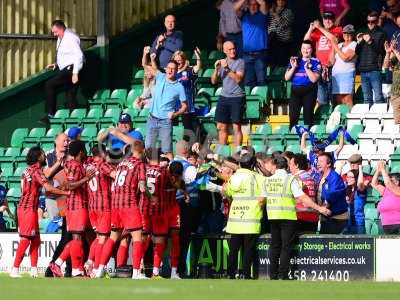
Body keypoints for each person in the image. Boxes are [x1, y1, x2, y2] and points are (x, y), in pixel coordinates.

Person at [265, 155, 330, 280]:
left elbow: (262, 199)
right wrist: (319, 208)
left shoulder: (268, 180)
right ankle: (283, 275)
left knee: (274, 245)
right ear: (285, 166)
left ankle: (272, 275)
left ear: (275, 166)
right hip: (288, 216)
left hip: (273, 216)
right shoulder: (290, 179)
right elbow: (303, 197)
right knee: (286, 246)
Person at [10, 147, 70, 278]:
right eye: (43, 154)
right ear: (38, 157)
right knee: (26, 240)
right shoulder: (36, 171)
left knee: (36, 240)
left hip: (25, 207)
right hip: (28, 209)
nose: (45, 156)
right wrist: (66, 192)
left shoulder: (27, 170)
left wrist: (57, 164)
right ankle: (14, 269)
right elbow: (48, 188)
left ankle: (33, 270)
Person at [95, 140, 147, 279]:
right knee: (137, 237)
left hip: (115, 205)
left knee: (112, 238)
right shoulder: (139, 164)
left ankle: (99, 269)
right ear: (140, 151)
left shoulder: (121, 164)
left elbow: (104, 167)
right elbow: (142, 186)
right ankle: (136, 273)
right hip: (129, 204)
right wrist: (149, 194)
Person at [49, 141, 95, 277]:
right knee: (77, 238)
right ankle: (76, 270)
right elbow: (70, 185)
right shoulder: (74, 165)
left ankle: (57, 263)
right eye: (85, 150)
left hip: (79, 205)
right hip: (76, 206)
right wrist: (86, 178)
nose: (86, 153)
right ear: (81, 152)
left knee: (86, 237)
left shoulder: (72, 164)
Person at [223, 147, 265, 279]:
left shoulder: (234, 177)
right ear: (253, 164)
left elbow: (227, 193)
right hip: (251, 220)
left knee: (234, 250)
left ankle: (230, 274)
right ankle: (246, 275)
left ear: (240, 164)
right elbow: (264, 197)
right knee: (248, 250)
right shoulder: (259, 178)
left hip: (235, 220)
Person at [142, 148, 184, 278]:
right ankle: (146, 268)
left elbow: (181, 186)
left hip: (171, 210)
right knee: (155, 239)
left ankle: (173, 272)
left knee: (174, 241)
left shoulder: (167, 175)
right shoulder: (163, 174)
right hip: (162, 210)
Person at [144, 52, 187, 160]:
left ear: (177, 71)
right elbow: (145, 65)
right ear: (166, 69)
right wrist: (146, 54)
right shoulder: (160, 76)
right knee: (148, 148)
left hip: (165, 122)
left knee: (167, 150)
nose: (170, 70)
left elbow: (184, 106)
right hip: (152, 118)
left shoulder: (179, 87)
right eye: (168, 68)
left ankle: (171, 172)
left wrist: (175, 114)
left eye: (173, 69)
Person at [40, 20, 84, 125]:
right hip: (66, 68)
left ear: (61, 28)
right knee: (70, 95)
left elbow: (79, 55)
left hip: (72, 68)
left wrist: (75, 73)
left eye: (55, 32)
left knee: (49, 85)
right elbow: (65, 54)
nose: (54, 34)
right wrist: (56, 64)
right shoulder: (61, 38)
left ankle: (50, 114)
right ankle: (74, 121)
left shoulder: (71, 37)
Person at [84, 144, 116, 277]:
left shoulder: (88, 166)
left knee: (98, 237)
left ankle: (89, 262)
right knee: (103, 238)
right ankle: (97, 269)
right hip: (104, 207)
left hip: (92, 207)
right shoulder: (103, 165)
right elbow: (116, 175)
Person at [173, 140, 201, 278]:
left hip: (172, 206)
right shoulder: (189, 167)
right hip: (186, 207)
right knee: (184, 240)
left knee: (174, 239)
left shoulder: (172, 164)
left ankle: (169, 269)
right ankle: (181, 270)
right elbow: (202, 183)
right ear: (185, 149)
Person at [211, 41, 245, 147]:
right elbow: (213, 81)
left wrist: (226, 68)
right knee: (221, 126)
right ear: (225, 51)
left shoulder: (240, 62)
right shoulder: (222, 63)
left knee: (236, 127)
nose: (233, 51)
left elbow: (238, 79)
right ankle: (222, 152)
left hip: (237, 97)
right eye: (230, 49)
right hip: (224, 97)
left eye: (233, 48)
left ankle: (237, 153)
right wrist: (216, 70)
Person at [304, 13, 342, 107]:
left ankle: (334, 113)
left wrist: (320, 27)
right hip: (320, 67)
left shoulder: (338, 29)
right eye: (325, 19)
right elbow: (305, 41)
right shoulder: (317, 32)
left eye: (330, 19)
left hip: (333, 67)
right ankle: (324, 116)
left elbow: (333, 38)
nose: (328, 21)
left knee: (333, 95)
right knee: (321, 96)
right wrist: (311, 28)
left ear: (334, 20)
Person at [284, 40, 321, 129]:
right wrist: (293, 68)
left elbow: (314, 79)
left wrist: (307, 69)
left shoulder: (316, 62)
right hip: (295, 92)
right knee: (293, 116)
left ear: (312, 49)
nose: (305, 50)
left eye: (308, 48)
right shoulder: (295, 60)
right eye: (303, 48)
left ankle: (308, 138)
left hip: (309, 91)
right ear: (301, 49)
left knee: (308, 117)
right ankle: (293, 137)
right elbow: (286, 77)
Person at [234, 0, 269, 88]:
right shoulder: (244, 16)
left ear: (258, 6)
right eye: (251, 5)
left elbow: (263, 3)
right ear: (247, 6)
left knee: (261, 81)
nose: (253, 6)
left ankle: (263, 101)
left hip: (260, 54)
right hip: (247, 55)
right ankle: (251, 102)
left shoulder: (263, 15)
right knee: (248, 82)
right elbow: (235, 8)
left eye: (255, 5)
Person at [356, 12, 386, 106]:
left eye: (373, 21)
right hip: (363, 70)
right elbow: (357, 51)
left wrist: (370, 42)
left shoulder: (381, 33)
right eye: (368, 21)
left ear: (377, 21)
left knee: (378, 97)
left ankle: (381, 120)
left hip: (375, 70)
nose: (370, 23)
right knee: (366, 99)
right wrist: (358, 42)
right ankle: (367, 120)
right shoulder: (363, 32)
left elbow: (382, 51)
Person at [325, 24, 357, 107]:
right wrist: (333, 45)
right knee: (339, 100)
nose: (347, 35)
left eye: (349, 33)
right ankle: (341, 118)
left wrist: (335, 45)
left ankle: (350, 118)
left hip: (347, 74)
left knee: (347, 99)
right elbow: (331, 62)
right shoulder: (339, 45)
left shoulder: (354, 44)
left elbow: (345, 58)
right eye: (345, 33)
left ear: (353, 34)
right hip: (336, 75)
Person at [171, 48, 202, 134]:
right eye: (176, 60)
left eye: (180, 60)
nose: (178, 62)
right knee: (172, 127)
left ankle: (191, 145)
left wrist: (198, 58)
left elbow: (198, 67)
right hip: (174, 104)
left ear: (184, 60)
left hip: (186, 103)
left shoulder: (188, 70)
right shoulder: (171, 72)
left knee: (188, 127)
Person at [317, 152, 348, 234]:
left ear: (329, 164)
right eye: (318, 161)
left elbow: (332, 195)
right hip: (325, 217)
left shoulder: (335, 177)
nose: (318, 164)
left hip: (336, 219)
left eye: (321, 161)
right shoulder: (321, 177)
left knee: (332, 245)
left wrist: (322, 208)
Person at [289, 154, 319, 234]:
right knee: (309, 244)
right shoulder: (312, 178)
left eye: (291, 164)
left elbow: (298, 198)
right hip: (313, 217)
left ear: (297, 165)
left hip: (300, 216)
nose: (289, 167)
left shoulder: (295, 179)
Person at [372, 161, 400, 234]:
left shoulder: (398, 190)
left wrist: (383, 169)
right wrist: (378, 170)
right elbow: (374, 183)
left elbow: (388, 183)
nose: (389, 180)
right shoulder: (386, 191)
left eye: (392, 180)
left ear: (397, 182)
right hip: (385, 225)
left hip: (398, 224)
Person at [268, 0, 295, 67]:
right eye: (279, 0)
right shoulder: (270, 11)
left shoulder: (288, 12)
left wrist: (274, 14)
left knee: (282, 64)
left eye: (283, 0)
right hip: (272, 43)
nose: (280, 1)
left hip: (283, 43)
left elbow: (283, 24)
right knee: (272, 63)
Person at [383, 36, 400, 124]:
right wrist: (387, 53)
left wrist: (395, 51)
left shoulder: (397, 53)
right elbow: (385, 66)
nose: (393, 45)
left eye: (394, 43)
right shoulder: (394, 56)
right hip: (395, 92)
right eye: (392, 43)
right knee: (397, 121)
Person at [134, 46, 156, 111]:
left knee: (146, 106)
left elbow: (156, 98)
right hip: (149, 101)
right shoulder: (147, 81)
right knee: (135, 104)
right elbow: (144, 65)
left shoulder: (157, 78)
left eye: (149, 71)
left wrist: (144, 101)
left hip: (157, 101)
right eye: (146, 72)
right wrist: (140, 98)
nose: (147, 73)